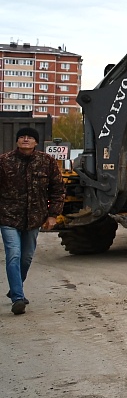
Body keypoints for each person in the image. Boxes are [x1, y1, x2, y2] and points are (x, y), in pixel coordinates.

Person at [0, 127, 65, 315]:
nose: (25, 140)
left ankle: (15, 287)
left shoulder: (47, 162)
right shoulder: (4, 162)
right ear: (17, 141)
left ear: (36, 142)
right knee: (13, 254)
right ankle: (18, 298)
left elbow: (58, 189)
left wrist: (53, 215)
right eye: (22, 137)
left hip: (35, 218)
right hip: (8, 217)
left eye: (29, 137)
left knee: (26, 257)